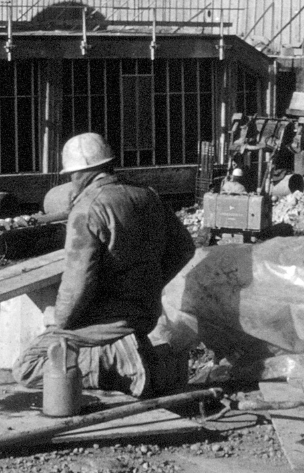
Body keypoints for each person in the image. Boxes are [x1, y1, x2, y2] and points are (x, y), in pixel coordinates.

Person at [15, 132, 197, 396]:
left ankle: (121, 364)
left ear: (78, 174)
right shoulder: (147, 195)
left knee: (29, 365)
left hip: (108, 321)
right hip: (144, 313)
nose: (72, 182)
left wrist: (59, 320)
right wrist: (151, 282)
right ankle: (130, 352)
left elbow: (78, 281)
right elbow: (183, 248)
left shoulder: (88, 208)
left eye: (71, 176)